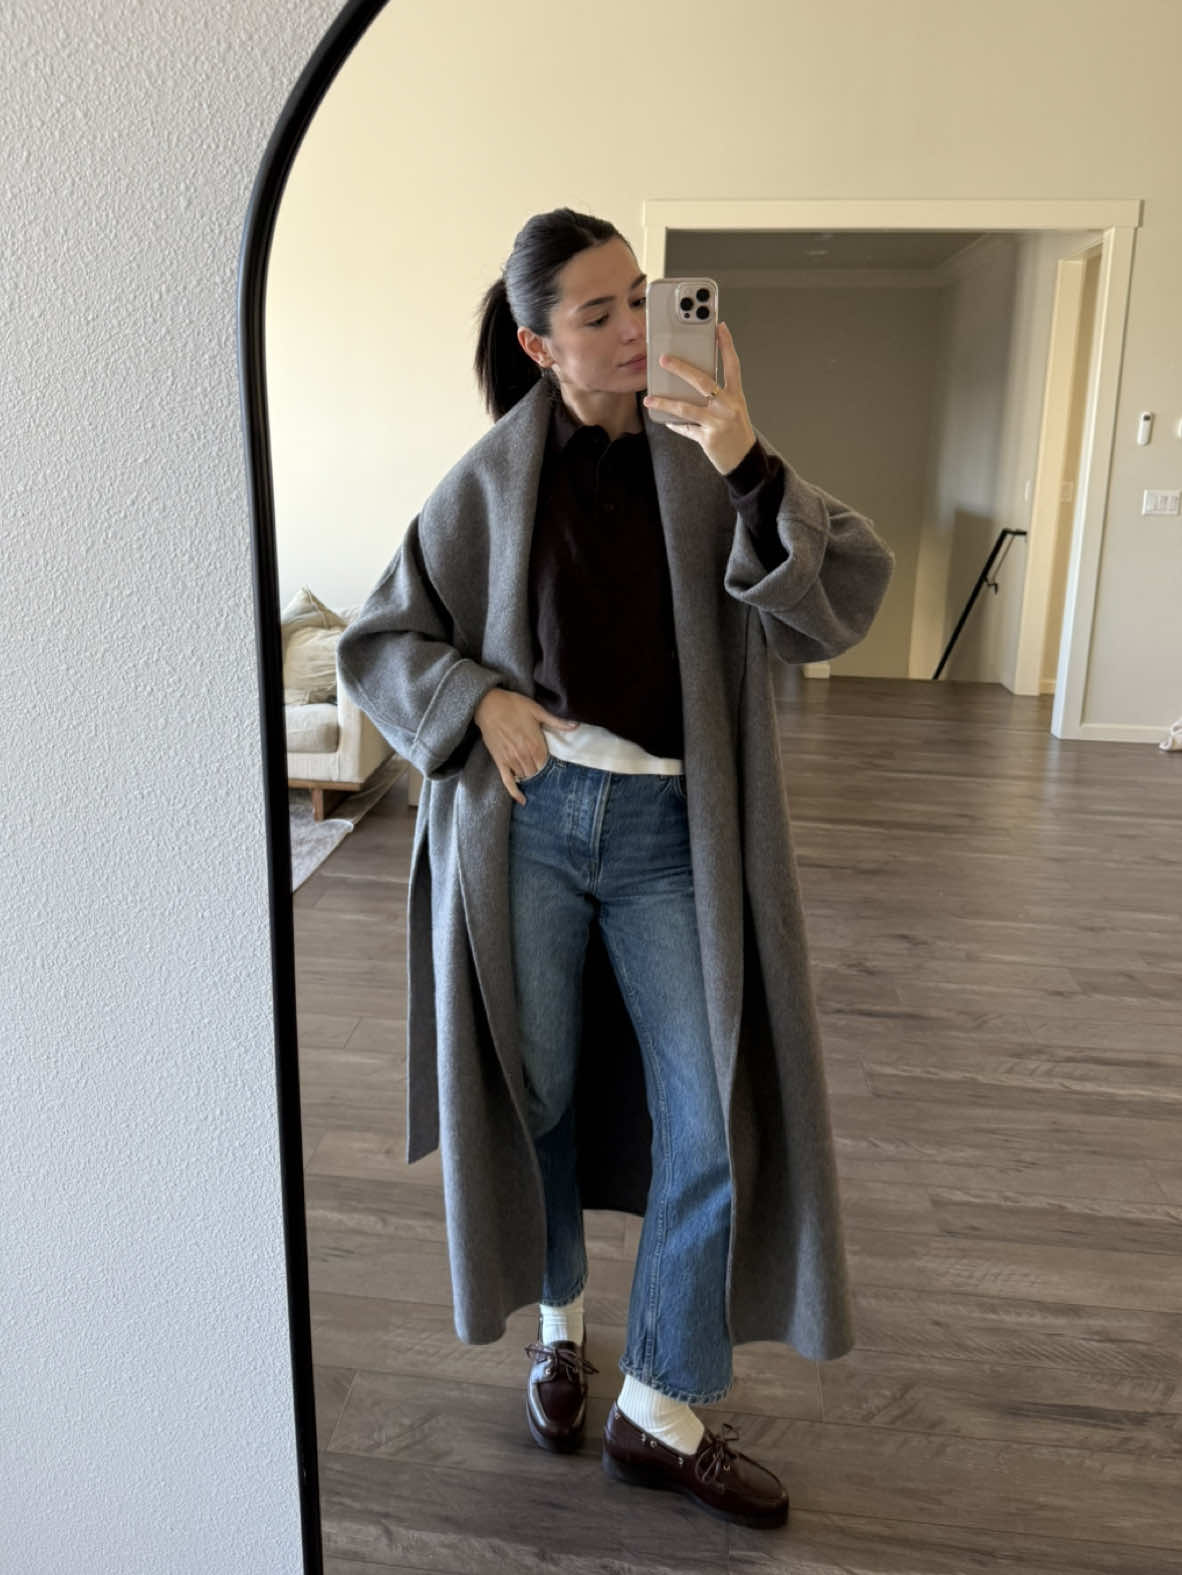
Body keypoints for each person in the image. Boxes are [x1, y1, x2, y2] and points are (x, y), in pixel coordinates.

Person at [336, 207, 895, 1533]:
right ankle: (559, 1327)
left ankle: (661, 1404)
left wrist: (747, 461)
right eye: (600, 314)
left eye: (641, 297)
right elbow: (382, 639)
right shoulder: (491, 477)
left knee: (710, 1115)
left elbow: (836, 604)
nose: (638, 328)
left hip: (672, 836)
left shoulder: (710, 458)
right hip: (528, 825)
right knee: (535, 1095)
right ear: (540, 345)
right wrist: (477, 700)